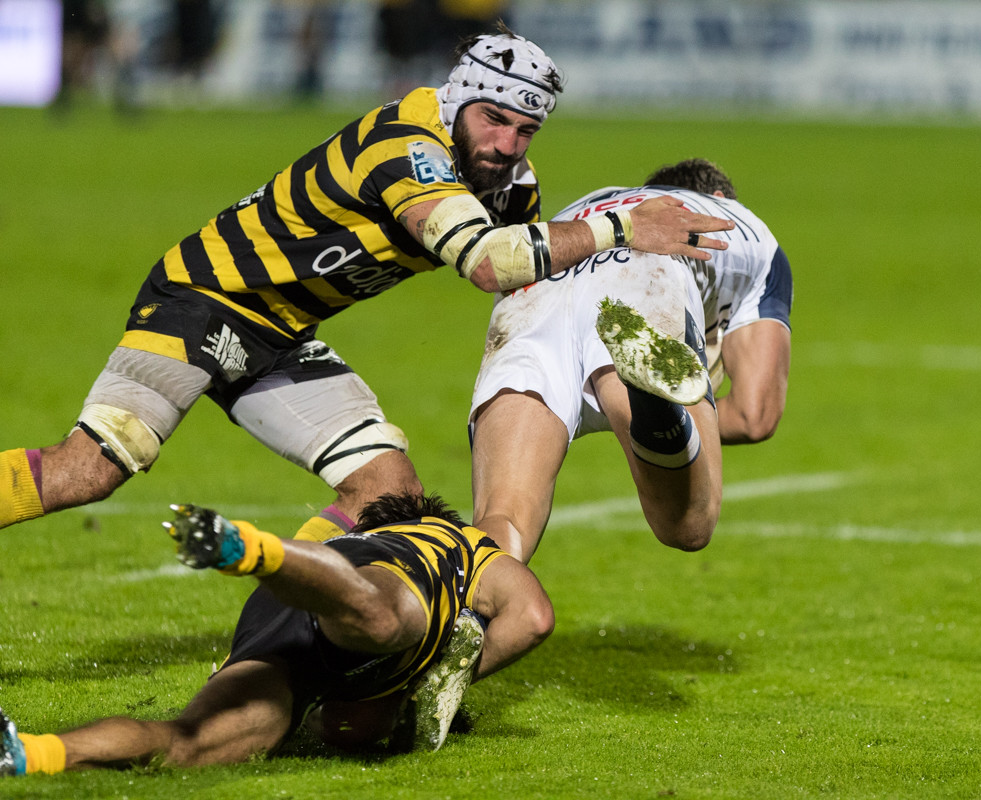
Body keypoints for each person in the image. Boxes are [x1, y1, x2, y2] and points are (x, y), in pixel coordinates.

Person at [0, 25, 733, 541]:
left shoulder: (510, 183)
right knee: (91, 470)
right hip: (204, 298)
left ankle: (286, 637)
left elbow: (533, 292)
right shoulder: (404, 144)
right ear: (458, 100)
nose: (506, 144)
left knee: (391, 491)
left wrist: (642, 359)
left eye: (525, 131)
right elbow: (487, 262)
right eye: (494, 120)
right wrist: (622, 229)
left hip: (280, 335)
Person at [0, 491, 552, 776]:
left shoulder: (382, 686)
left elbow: (351, 729)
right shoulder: (451, 538)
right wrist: (447, 680)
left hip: (280, 616)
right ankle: (253, 550)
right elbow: (532, 618)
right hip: (362, 583)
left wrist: (411, 697)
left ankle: (28, 755)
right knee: (382, 620)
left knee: (188, 745)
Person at [468, 158, 792, 563]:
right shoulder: (745, 227)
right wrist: (648, 434)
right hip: (641, 276)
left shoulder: (601, 202)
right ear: (719, 198)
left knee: (503, 520)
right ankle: (652, 404)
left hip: (539, 283)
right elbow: (754, 415)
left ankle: (467, 616)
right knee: (690, 523)